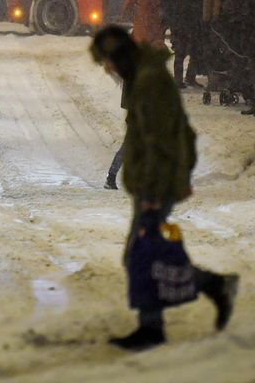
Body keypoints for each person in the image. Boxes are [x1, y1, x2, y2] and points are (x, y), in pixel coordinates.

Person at [90, 26, 238, 351]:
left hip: (155, 186)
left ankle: (158, 324)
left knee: (140, 256)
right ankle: (207, 290)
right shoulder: (143, 78)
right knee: (146, 255)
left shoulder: (148, 82)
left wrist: (156, 194)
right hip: (152, 183)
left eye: (107, 62)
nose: (106, 70)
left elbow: (163, 140)